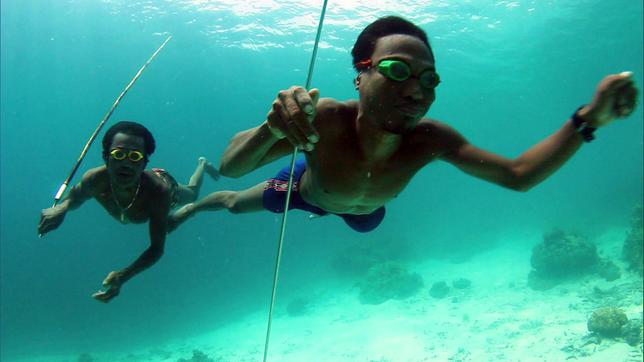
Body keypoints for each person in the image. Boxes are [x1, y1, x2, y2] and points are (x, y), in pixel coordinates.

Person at [169, 16, 638, 233]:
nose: (416, 89)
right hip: (304, 193)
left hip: (364, 212)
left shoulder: (432, 140)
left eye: (429, 78)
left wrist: (587, 120)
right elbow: (233, 165)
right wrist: (272, 128)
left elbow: (517, 175)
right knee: (231, 202)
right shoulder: (324, 119)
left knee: (366, 222)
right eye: (396, 70)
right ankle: (193, 207)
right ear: (361, 74)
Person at [38, 121, 220, 302]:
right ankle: (182, 210)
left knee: (190, 196)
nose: (125, 163)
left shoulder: (158, 192)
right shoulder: (94, 179)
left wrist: (123, 276)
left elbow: (157, 249)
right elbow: (75, 197)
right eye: (118, 154)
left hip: (167, 186)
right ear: (105, 158)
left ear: (144, 163)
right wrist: (62, 208)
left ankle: (202, 164)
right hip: (138, 207)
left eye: (134, 156)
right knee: (164, 224)